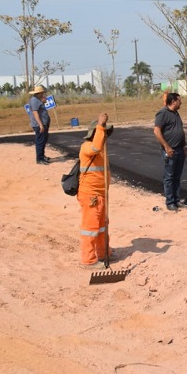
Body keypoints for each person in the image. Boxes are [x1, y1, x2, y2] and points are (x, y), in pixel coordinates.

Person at [77, 113, 114, 268]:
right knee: (90, 228)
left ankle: (103, 252)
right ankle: (88, 260)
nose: (105, 137)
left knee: (102, 226)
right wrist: (101, 125)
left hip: (100, 194)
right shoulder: (88, 147)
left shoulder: (101, 150)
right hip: (90, 195)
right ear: (95, 133)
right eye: (102, 133)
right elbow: (96, 146)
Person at [154, 92, 187, 211]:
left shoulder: (176, 113)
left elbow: (180, 130)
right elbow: (157, 131)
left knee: (177, 176)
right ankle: (170, 202)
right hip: (170, 151)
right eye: (179, 100)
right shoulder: (162, 113)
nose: (181, 103)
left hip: (180, 149)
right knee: (169, 177)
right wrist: (167, 147)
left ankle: (176, 200)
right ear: (173, 101)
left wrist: (185, 145)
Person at [27, 84, 51, 164]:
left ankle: (42, 156)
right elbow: (35, 113)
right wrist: (40, 124)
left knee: (43, 140)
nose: (43, 94)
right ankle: (39, 159)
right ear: (39, 93)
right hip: (39, 125)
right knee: (40, 141)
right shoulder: (34, 100)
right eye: (42, 92)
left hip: (44, 123)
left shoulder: (38, 100)